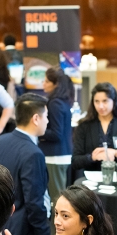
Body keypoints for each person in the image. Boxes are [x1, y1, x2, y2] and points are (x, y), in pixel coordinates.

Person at [0, 93, 51, 235]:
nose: (48, 121)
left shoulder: (2, 141)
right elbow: (34, 201)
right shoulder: (33, 154)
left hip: (3, 225)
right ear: (36, 118)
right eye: (46, 116)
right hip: (26, 232)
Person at [72, 82, 117, 172]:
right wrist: (92, 157)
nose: (100, 106)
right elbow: (75, 161)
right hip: (91, 180)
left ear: (114, 101)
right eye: (96, 101)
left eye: (105, 101)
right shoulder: (84, 125)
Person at [39, 68, 73, 207]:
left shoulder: (55, 103)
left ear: (56, 84)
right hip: (59, 156)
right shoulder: (63, 102)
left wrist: (38, 132)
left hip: (55, 157)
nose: (43, 84)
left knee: (57, 201)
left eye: (47, 81)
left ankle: (56, 229)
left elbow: (56, 134)